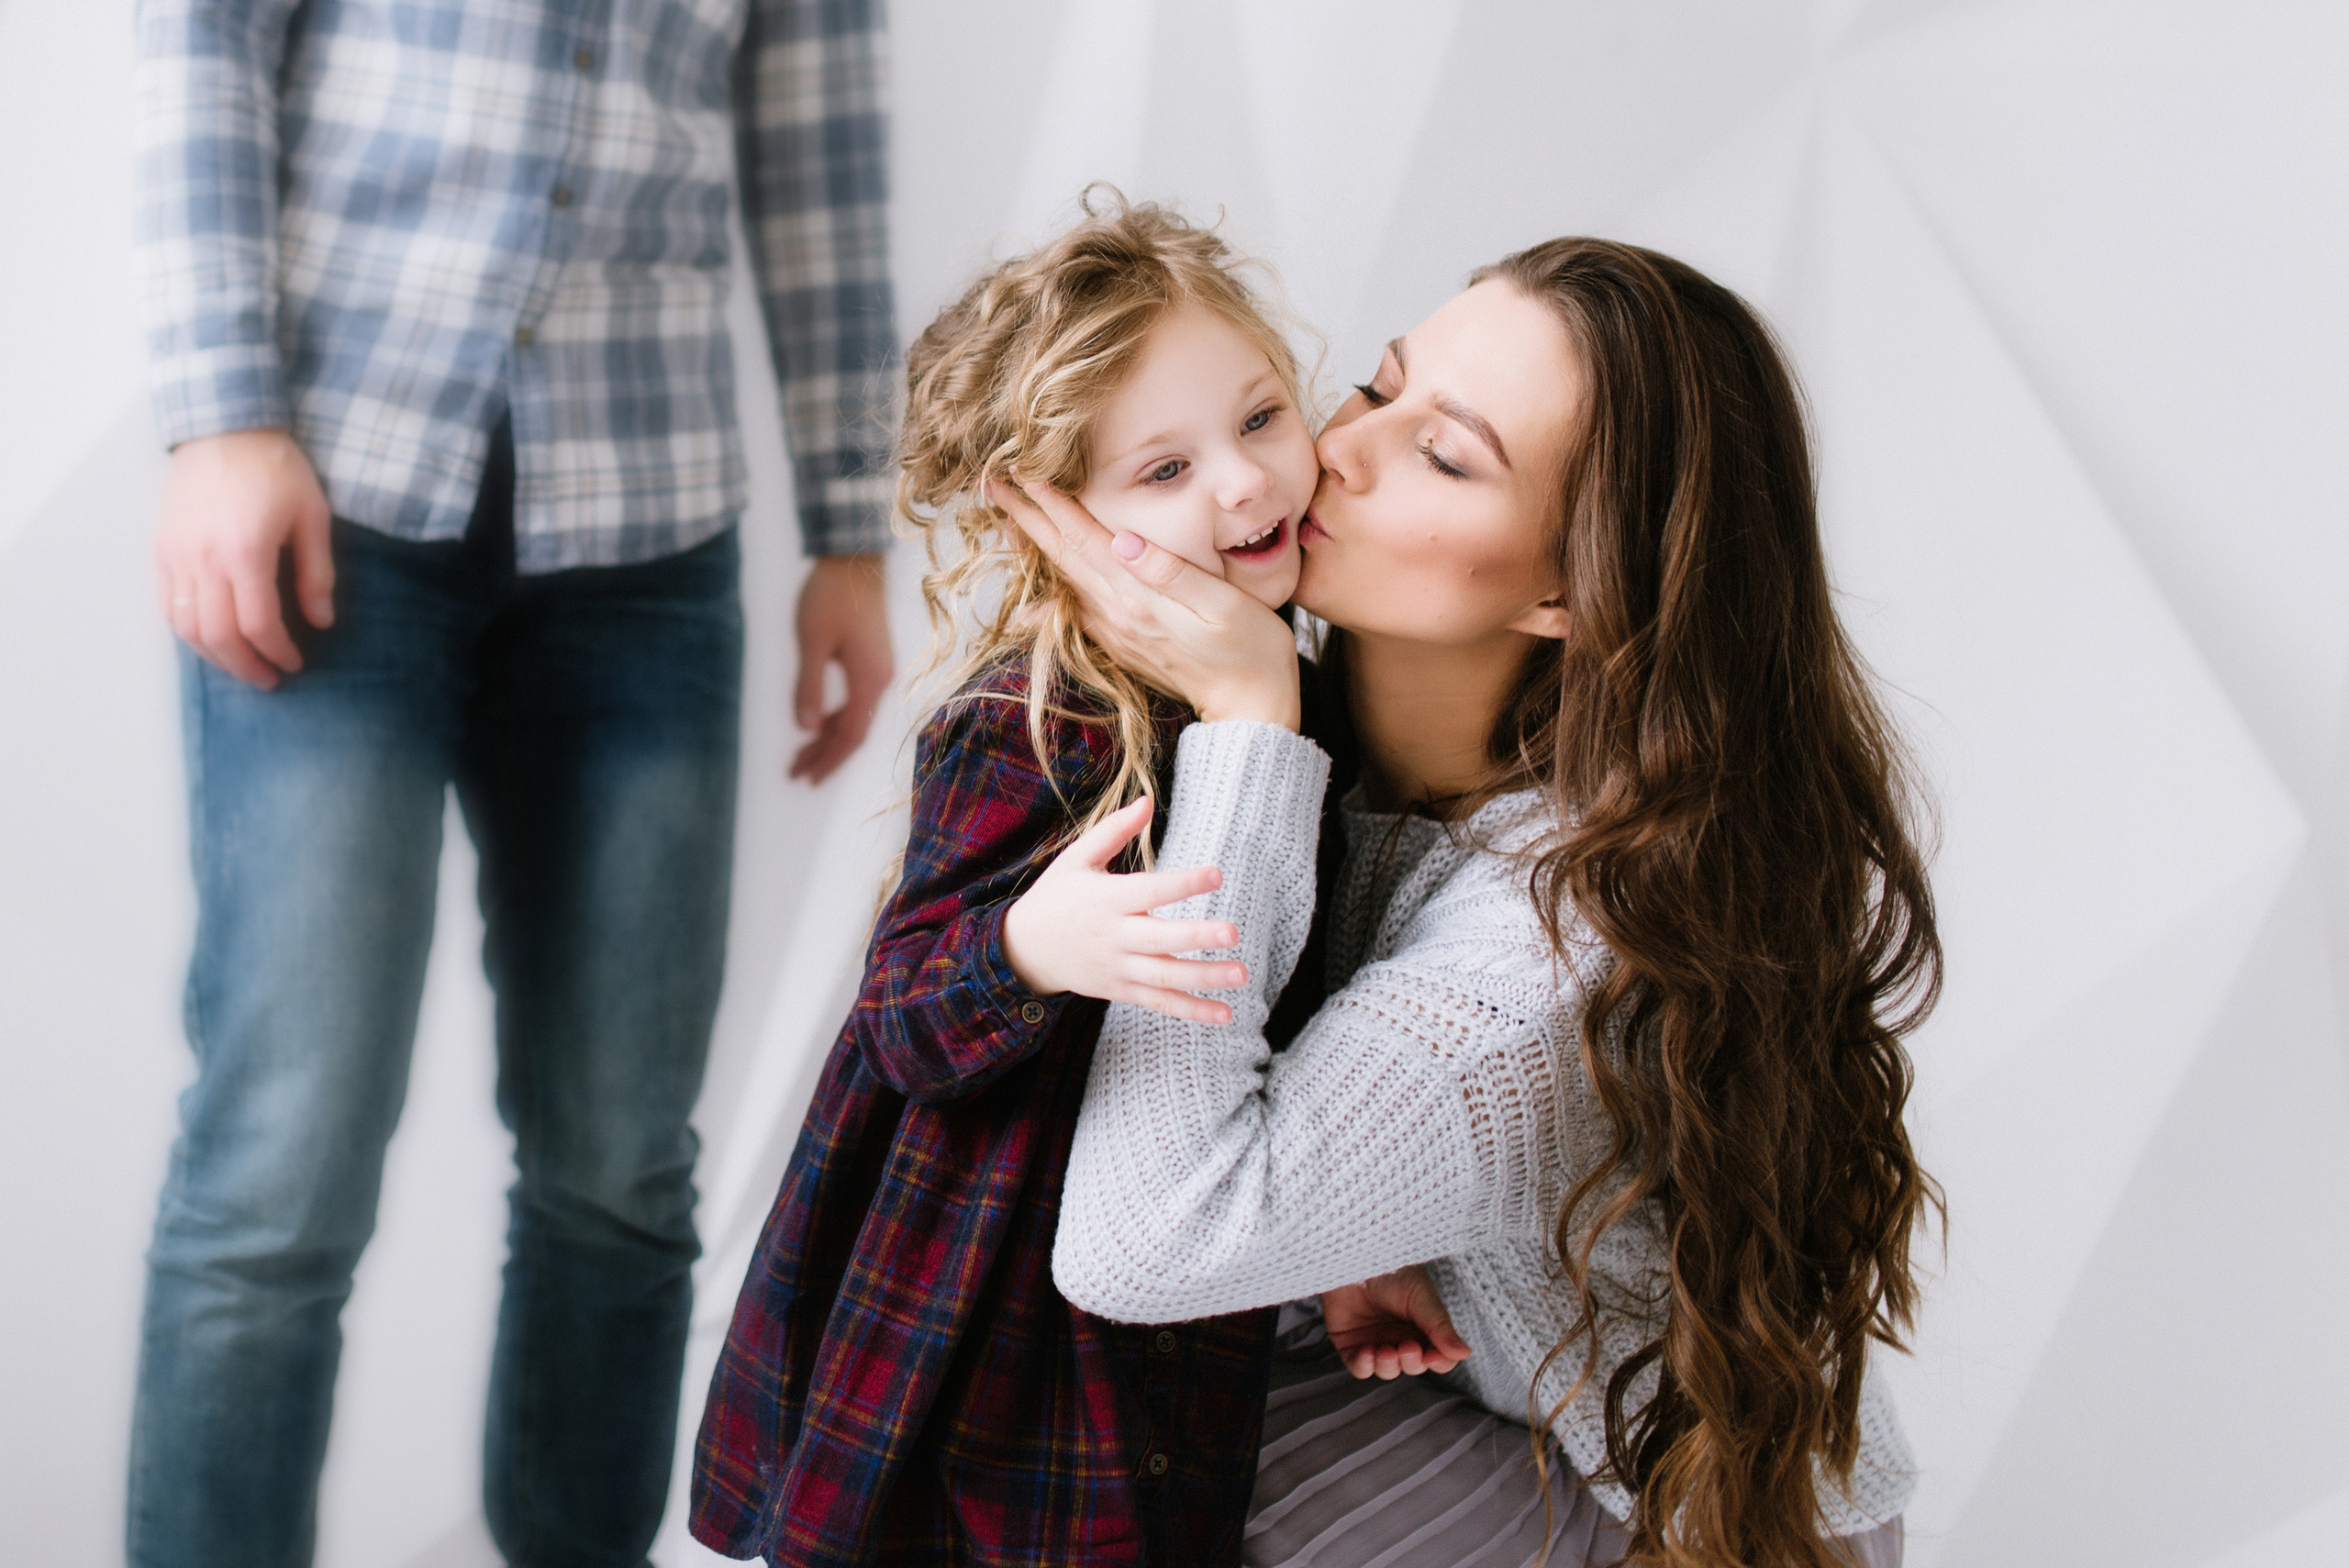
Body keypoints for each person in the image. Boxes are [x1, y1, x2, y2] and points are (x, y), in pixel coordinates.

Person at [1004, 238, 1940, 1567]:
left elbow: (1143, 1244)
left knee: (1089, 1477)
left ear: (1570, 586)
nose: (1337, 454)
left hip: (1686, 1522)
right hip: (1457, 1404)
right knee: (1021, 1411)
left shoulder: (1548, 956)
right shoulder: (1328, 735)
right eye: (1377, 387)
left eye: (1444, 456)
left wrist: (1249, 716)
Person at [127, 3, 897, 1563]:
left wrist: (851, 527)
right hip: (333, 484)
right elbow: (204, 36)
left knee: (619, 1172)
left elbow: (821, 138)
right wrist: (222, 409)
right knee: (282, 1167)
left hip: (649, 527)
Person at [689, 197, 1360, 1568]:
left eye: (1259, 419)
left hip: (1164, 1250)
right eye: (1161, 470)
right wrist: (1029, 946)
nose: (1242, 485)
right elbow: (899, 1014)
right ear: (1052, 517)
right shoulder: (1042, 717)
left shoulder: (1296, 688)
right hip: (985, 1279)